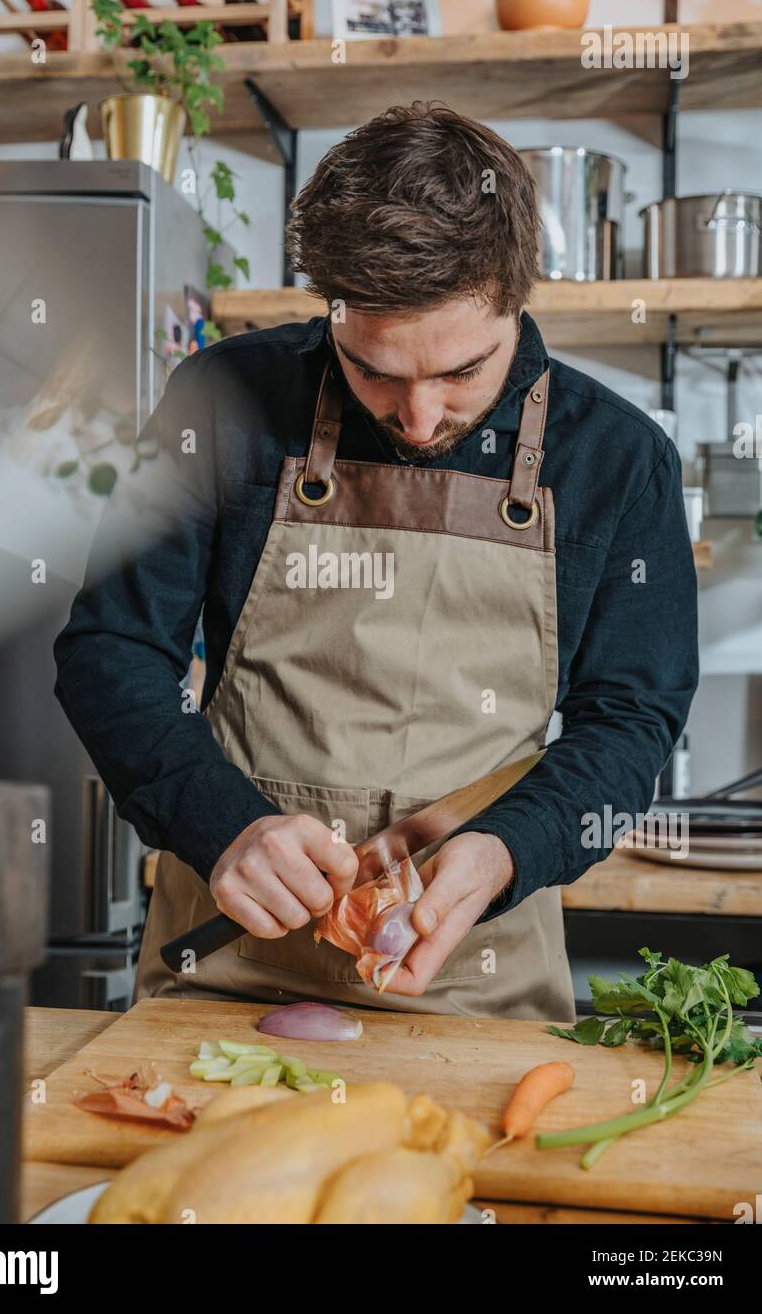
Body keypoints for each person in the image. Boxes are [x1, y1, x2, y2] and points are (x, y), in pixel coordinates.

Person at [55, 103, 698, 1020]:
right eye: (375, 372)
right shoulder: (223, 399)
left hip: (476, 973)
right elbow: (110, 649)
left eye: (462, 372)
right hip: (227, 966)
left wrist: (510, 849)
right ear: (331, 310)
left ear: (520, 292)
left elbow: (633, 716)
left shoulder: (619, 460)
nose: (421, 419)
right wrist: (222, 824)